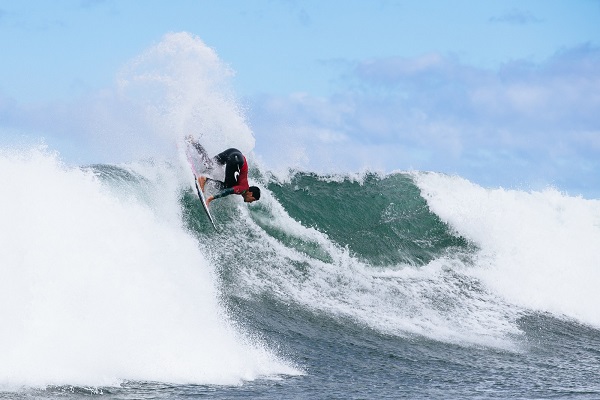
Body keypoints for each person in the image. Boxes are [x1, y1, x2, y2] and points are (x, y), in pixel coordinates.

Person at [188, 138, 261, 206]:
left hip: (234, 152)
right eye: (253, 199)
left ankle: (194, 142)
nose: (251, 202)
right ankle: (204, 179)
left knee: (210, 164)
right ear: (251, 194)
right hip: (237, 160)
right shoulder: (243, 189)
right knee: (228, 186)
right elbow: (228, 191)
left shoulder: (243, 184)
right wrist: (211, 198)